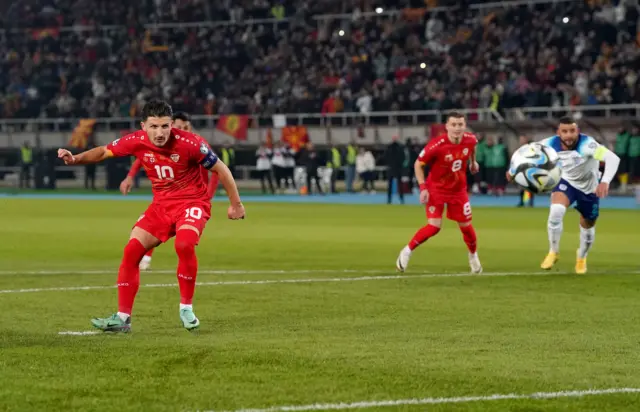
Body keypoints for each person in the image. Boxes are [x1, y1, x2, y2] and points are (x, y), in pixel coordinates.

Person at [57, 100, 245, 333]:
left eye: (165, 126)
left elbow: (221, 169)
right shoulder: (136, 140)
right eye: (154, 126)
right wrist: (75, 158)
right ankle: (122, 318)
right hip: (161, 206)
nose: (160, 133)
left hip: (191, 203)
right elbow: (104, 151)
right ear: (143, 126)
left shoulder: (191, 143)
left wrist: (235, 204)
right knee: (131, 251)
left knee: (184, 244)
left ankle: (186, 308)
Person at [507, 117, 620, 274]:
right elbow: (526, 153)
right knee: (556, 210)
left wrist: (605, 182)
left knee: (588, 224)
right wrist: (512, 171)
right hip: (566, 182)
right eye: (564, 131)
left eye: (572, 131)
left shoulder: (588, 144)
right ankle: (553, 251)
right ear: (558, 132)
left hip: (589, 189)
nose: (568, 135)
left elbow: (613, 159)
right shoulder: (548, 144)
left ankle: (581, 256)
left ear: (578, 131)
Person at [120, 111, 219, 271]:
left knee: (184, 240)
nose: (183, 129)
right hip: (168, 195)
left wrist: (209, 195)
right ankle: (145, 257)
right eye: (179, 127)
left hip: (192, 199)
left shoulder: (198, 144)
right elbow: (142, 156)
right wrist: (130, 176)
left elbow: (218, 170)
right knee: (150, 226)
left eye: (186, 127)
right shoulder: (165, 143)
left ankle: (183, 280)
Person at [396, 112, 482, 273]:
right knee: (434, 227)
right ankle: (407, 250)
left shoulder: (470, 139)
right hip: (436, 189)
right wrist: (423, 188)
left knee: (466, 227)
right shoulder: (437, 145)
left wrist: (473, 162)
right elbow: (418, 164)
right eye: (454, 125)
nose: (457, 128)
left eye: (460, 124)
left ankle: (473, 255)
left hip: (458, 190)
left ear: (464, 125)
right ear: (447, 126)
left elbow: (473, 147)